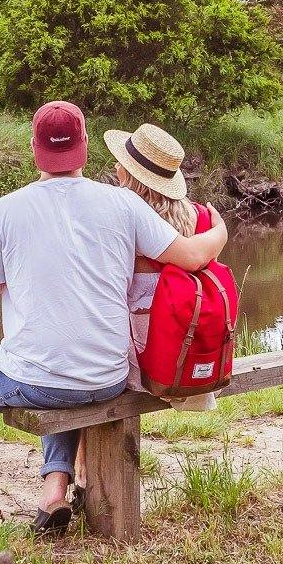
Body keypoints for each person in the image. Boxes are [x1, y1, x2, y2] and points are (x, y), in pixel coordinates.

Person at [0, 100, 227, 534]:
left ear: (35, 150)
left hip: (41, 380)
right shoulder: (122, 205)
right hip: (107, 377)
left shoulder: (7, 210)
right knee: (63, 373)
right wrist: (220, 230)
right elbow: (190, 256)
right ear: (86, 148)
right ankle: (54, 489)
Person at [103, 122, 219, 412]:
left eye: (120, 163)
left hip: (142, 360)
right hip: (186, 346)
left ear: (127, 172)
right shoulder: (198, 216)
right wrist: (223, 231)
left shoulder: (126, 216)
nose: (116, 165)